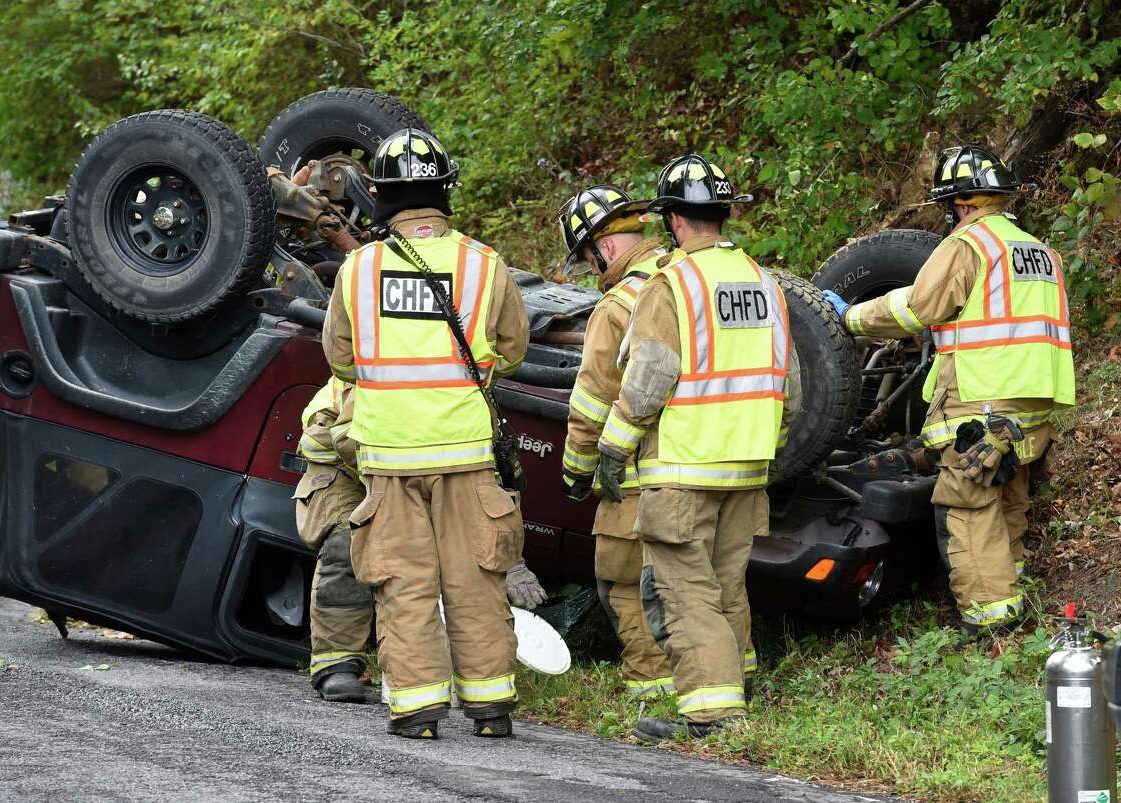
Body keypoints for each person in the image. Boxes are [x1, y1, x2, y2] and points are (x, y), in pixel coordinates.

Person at [322, 128, 534, 740]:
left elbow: (339, 360)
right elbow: (514, 350)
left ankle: (417, 710)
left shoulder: (358, 270)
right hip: (468, 455)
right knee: (475, 579)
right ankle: (491, 709)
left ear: (381, 196)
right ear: (445, 192)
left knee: (403, 583)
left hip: (389, 457)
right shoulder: (485, 266)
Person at [823, 145, 1074, 635]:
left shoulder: (968, 245)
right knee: (1007, 501)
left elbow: (916, 308)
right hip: (1033, 404)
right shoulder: (1039, 252)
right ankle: (1012, 595)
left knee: (967, 505)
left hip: (981, 401)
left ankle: (991, 621)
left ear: (959, 204)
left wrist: (848, 315)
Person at [597, 153, 798, 742]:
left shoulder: (673, 284)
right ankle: (737, 688)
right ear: (724, 213)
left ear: (674, 221)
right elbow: (792, 385)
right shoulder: (765, 283)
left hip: (684, 467)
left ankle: (712, 711)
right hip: (747, 467)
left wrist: (614, 445)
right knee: (726, 584)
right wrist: (769, 446)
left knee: (683, 590)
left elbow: (649, 377)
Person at [557, 184, 674, 699]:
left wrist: (576, 472)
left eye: (587, 257)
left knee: (623, 578)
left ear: (601, 247)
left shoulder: (617, 305)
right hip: (714, 461)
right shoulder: (692, 279)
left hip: (640, 469)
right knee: (706, 581)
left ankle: (654, 683)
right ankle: (721, 679)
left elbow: (593, 402)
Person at [294, 376, 373, 702]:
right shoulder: (371, 359)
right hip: (343, 467)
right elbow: (325, 440)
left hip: (423, 466)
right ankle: (336, 662)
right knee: (347, 542)